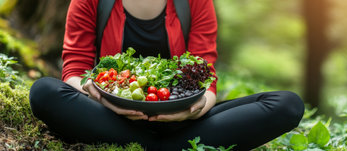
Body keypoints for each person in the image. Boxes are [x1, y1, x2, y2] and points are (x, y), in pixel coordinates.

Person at [29, 0, 305, 150]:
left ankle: (150, 147)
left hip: (181, 119)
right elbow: (74, 71)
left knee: (287, 105)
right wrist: (100, 97)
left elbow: (205, 77)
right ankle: (171, 149)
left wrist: (194, 110)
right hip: (109, 113)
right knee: (44, 92)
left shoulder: (196, 3)